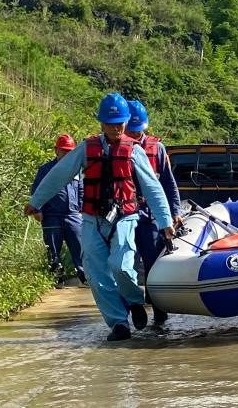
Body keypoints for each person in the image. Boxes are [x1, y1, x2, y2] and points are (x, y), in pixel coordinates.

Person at [24, 93, 175, 342]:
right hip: (92, 219)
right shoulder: (87, 148)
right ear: (101, 123)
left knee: (122, 267)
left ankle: (136, 301)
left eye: (121, 123)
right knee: (96, 274)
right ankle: (118, 324)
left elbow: (153, 188)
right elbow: (59, 173)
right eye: (111, 123)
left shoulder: (133, 150)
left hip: (125, 217)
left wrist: (165, 222)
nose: (116, 128)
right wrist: (36, 201)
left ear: (126, 123)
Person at [124, 100, 182, 326]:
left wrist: (174, 211)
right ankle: (132, 308)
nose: (135, 135)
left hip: (150, 216)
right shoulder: (114, 148)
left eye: (138, 131)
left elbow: (168, 183)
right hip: (125, 214)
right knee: (125, 265)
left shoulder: (157, 148)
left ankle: (159, 313)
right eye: (131, 131)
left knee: (153, 265)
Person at [30, 134, 86, 288]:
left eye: (70, 151)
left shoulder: (77, 170)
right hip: (52, 216)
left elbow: (81, 190)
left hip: (73, 215)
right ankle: (57, 277)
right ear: (56, 151)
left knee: (80, 247)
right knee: (53, 248)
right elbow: (37, 190)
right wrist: (37, 210)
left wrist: (82, 211)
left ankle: (84, 276)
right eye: (64, 151)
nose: (67, 154)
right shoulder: (46, 170)